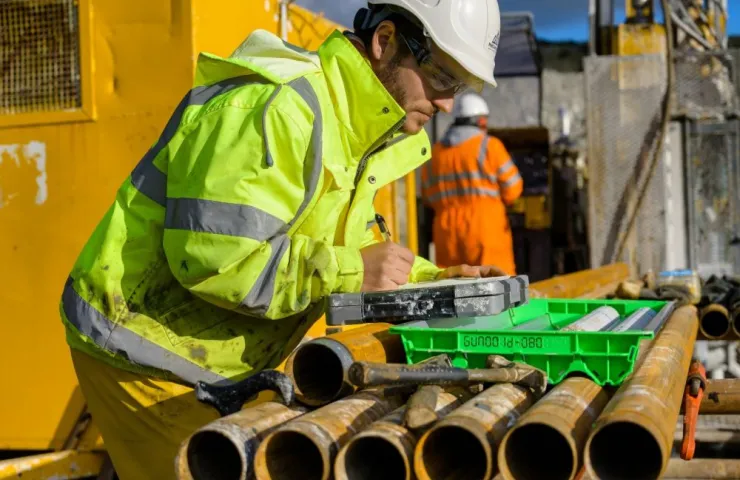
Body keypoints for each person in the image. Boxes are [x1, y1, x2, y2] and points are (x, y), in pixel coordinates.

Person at [59, 0, 504, 477]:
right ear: (385, 41)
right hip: (143, 357)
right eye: (442, 77)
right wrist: (352, 272)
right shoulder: (276, 107)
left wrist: (430, 280)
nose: (446, 104)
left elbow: (345, 241)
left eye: (461, 87)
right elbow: (215, 259)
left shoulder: (354, 127)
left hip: (213, 358)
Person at [422, 91, 523, 275]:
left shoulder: (434, 153)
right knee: (496, 285)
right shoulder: (489, 146)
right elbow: (513, 189)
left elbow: (428, 198)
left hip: (446, 232)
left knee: (453, 286)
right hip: (484, 227)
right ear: (482, 121)